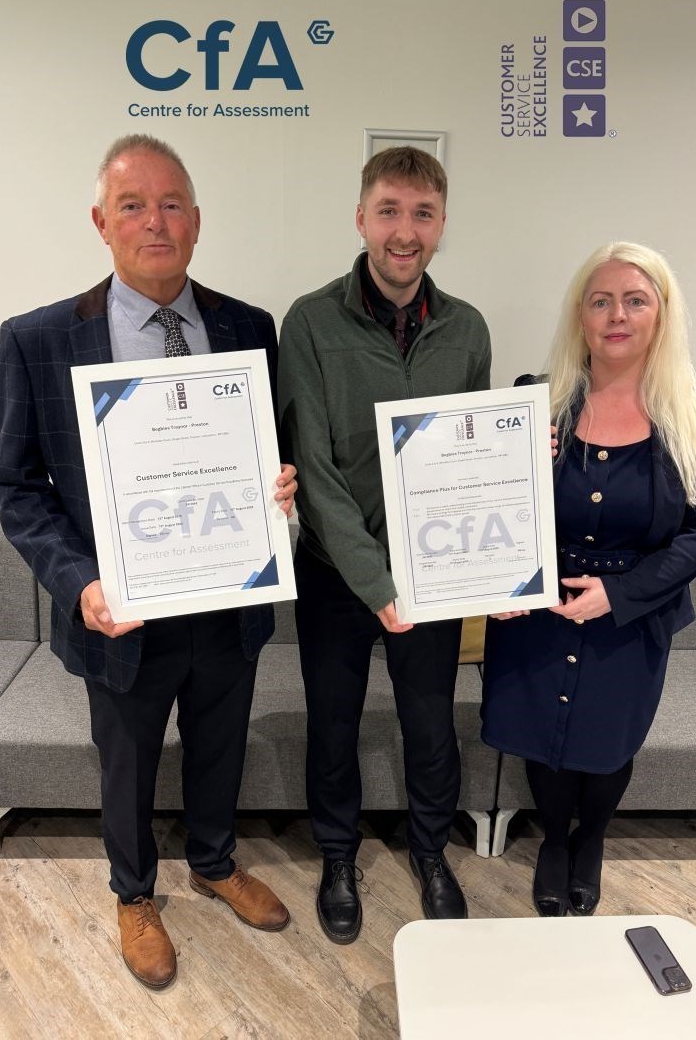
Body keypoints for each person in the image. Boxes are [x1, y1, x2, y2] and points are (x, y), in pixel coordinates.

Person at [0, 134, 297, 988]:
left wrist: (279, 489)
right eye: (133, 205)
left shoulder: (247, 328)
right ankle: (133, 892)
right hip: (117, 610)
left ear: (196, 221)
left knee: (219, 745)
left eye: (171, 205)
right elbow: (14, 487)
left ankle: (215, 859)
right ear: (101, 221)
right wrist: (78, 582)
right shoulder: (39, 339)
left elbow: (269, 452)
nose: (154, 221)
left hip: (229, 598)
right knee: (125, 760)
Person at [277, 146, 491, 942]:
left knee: (431, 723)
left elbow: (469, 464)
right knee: (332, 724)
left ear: (440, 226)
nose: (406, 232)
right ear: (362, 217)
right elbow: (317, 471)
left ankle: (432, 851)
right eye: (391, 211)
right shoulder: (309, 320)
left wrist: (491, 568)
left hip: (432, 574)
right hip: (337, 575)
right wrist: (376, 583)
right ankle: (337, 855)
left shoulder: (467, 329)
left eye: (423, 214)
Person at [482, 241, 696, 917]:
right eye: (600, 301)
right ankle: (554, 841)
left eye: (635, 299)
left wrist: (618, 596)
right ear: (580, 316)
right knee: (544, 742)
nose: (616, 314)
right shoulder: (539, 401)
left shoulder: (695, 411)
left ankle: (589, 839)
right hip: (540, 611)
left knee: (605, 744)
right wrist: (503, 580)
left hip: (632, 615)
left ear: (661, 313)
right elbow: (492, 505)